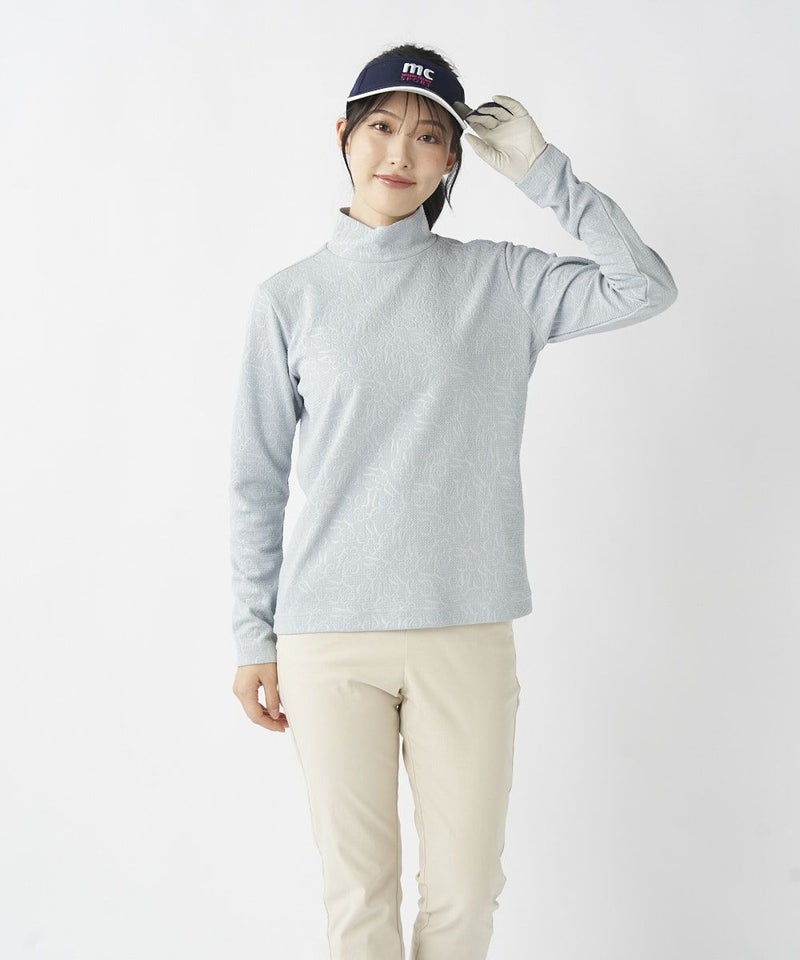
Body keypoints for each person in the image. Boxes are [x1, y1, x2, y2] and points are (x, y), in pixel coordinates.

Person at [229, 42, 678, 960]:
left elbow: (645, 287)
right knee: (359, 901)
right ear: (344, 134)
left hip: (465, 629)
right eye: (382, 127)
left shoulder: (500, 282)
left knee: (466, 899)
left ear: (451, 161)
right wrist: (251, 636)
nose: (400, 152)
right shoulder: (288, 300)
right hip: (328, 638)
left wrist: (546, 175)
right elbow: (256, 478)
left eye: (428, 136)